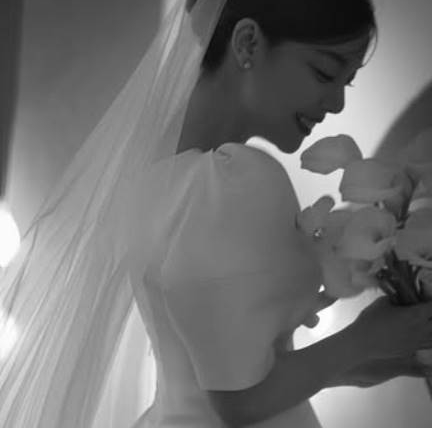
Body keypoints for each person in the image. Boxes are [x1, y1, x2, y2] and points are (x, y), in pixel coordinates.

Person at [1, 1, 432, 427]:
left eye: (347, 82)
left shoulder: (156, 178)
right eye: (324, 72)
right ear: (247, 43)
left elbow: (221, 377)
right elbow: (239, 404)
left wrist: (366, 359)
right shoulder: (232, 182)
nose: (336, 103)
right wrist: (363, 341)